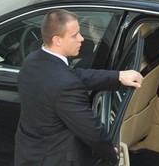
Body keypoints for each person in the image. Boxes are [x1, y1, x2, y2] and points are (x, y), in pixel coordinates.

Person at [15, 9, 143, 166]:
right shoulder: (65, 86)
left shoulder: (32, 61)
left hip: (29, 153)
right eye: (75, 35)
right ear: (57, 40)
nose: (82, 39)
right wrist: (112, 154)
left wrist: (118, 76)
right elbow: (92, 132)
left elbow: (74, 75)